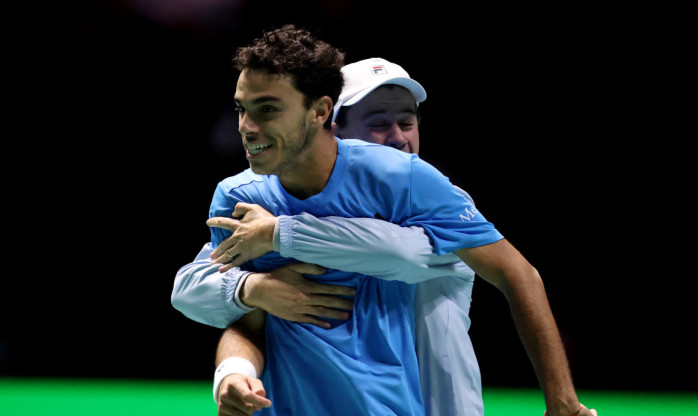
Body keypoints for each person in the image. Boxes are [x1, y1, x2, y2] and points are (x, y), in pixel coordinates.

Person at [175, 24, 595, 416]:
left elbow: (499, 270)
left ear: (321, 112)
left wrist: (562, 401)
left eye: (266, 109)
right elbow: (233, 309)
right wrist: (236, 361)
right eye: (241, 109)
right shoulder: (240, 195)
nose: (246, 127)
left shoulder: (411, 184)